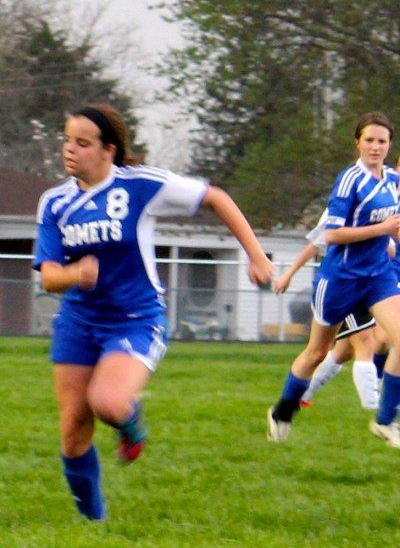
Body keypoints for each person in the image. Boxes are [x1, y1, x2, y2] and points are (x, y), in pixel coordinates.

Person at [34, 104, 274, 521]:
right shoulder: (55, 203)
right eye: (67, 140)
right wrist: (76, 273)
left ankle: (131, 421)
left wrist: (256, 256)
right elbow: (49, 277)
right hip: (78, 321)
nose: (70, 150)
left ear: (108, 151)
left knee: (107, 403)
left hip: (136, 318)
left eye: (82, 143)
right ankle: (94, 523)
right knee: (73, 430)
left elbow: (215, 197)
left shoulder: (142, 186)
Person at [267, 112, 400, 448]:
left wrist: (385, 241)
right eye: (369, 140)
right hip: (340, 279)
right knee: (317, 352)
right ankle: (282, 410)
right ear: (358, 142)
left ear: (389, 145)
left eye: (382, 141)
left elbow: (387, 221)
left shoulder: (392, 182)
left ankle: (384, 421)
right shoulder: (349, 179)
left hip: (377, 278)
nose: (375, 146)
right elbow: (333, 234)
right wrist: (381, 231)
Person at [272, 210, 384, 411]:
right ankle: (378, 414)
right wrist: (288, 274)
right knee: (365, 342)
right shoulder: (346, 200)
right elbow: (317, 243)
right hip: (342, 283)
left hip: (370, 281)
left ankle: (303, 392)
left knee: (343, 352)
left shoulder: (387, 197)